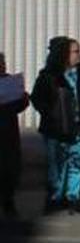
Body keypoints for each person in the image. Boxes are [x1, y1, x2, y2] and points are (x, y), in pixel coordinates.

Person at [30, 38, 80, 215]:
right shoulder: (49, 76)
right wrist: (51, 114)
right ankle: (55, 197)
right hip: (56, 130)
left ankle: (74, 197)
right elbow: (37, 99)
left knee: (77, 163)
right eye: (75, 51)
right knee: (56, 166)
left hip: (78, 128)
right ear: (64, 55)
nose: (79, 55)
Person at [0, 53, 29, 219]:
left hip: (9, 132)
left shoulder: (10, 81)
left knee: (10, 168)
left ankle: (8, 201)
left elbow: (19, 105)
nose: (2, 65)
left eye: (3, 62)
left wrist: (23, 98)